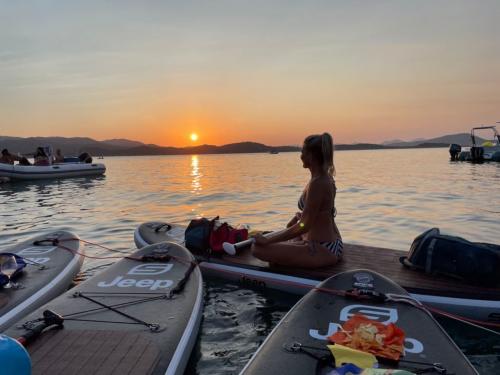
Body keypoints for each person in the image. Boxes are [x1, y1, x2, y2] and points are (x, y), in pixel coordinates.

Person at [252, 133, 343, 268]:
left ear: (311, 156)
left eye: (303, 152)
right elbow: (321, 215)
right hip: (332, 241)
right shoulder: (324, 177)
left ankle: (285, 255)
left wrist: (267, 240)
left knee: (257, 248)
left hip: (322, 248)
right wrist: (300, 218)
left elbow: (304, 226)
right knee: (291, 227)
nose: (300, 156)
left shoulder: (318, 183)